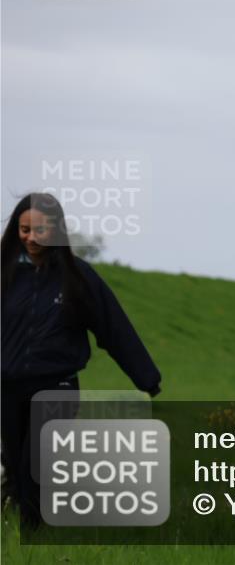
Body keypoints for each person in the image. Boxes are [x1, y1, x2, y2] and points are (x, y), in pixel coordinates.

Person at [1, 193, 161, 527]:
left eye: (40, 230)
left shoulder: (78, 278)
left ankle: (35, 538)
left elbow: (114, 328)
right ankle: (24, 531)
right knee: (16, 471)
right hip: (8, 388)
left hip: (57, 387)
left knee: (36, 466)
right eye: (24, 229)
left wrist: (146, 379)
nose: (31, 238)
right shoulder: (4, 276)